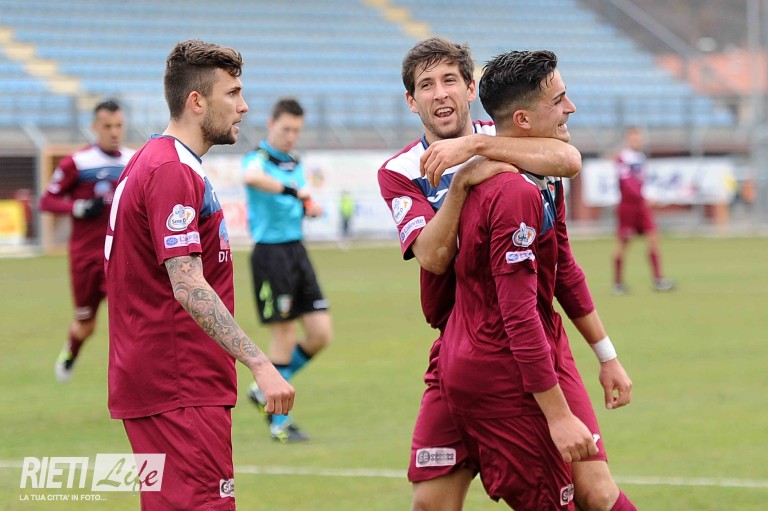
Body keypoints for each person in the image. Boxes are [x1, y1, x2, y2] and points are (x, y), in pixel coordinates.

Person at [377, 37, 587, 511]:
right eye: (426, 85)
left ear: (470, 89)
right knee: (430, 503)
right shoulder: (400, 170)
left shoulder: (502, 130)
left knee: (583, 491)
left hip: (518, 342)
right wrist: (462, 185)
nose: (440, 93)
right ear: (411, 100)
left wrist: (476, 147)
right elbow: (432, 257)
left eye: (450, 80)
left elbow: (568, 159)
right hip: (455, 344)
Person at [438, 48, 638, 510]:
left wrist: (606, 356)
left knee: (599, 492)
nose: (571, 107)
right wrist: (558, 415)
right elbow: (518, 314)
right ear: (524, 119)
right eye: (559, 99)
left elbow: (564, 268)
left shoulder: (544, 173)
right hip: (503, 367)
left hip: (541, 349)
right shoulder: (512, 193)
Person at [104, 39, 295, 510]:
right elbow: (188, 284)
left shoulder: (161, 160)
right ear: (196, 101)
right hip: (179, 382)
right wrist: (259, 362)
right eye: (232, 93)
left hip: (169, 381)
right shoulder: (170, 169)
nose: (243, 106)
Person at [242, 98, 332, 443]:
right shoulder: (258, 159)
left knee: (320, 333)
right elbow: (251, 178)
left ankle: (262, 388)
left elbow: (300, 199)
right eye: (285, 129)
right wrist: (294, 192)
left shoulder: (295, 162)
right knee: (285, 334)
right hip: (271, 254)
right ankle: (279, 423)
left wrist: (308, 207)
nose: (291, 136)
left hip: (297, 251)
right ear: (271, 124)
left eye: (296, 130)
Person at [39, 99, 135, 383]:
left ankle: (129, 375)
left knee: (129, 319)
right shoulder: (78, 162)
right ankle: (71, 351)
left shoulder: (133, 161)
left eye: (118, 126)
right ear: (94, 127)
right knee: (86, 323)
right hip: (85, 257)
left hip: (120, 256)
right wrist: (78, 208)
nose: (114, 132)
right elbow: (47, 200)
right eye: (107, 126)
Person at [613, 126, 674, 295]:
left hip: (642, 206)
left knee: (653, 237)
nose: (638, 141)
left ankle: (658, 279)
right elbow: (627, 183)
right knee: (624, 243)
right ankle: (617, 283)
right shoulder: (622, 158)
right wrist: (643, 197)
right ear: (628, 139)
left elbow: (642, 182)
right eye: (634, 138)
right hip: (628, 206)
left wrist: (649, 197)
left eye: (639, 138)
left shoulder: (640, 157)